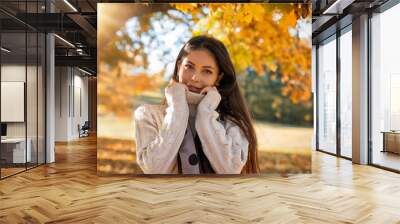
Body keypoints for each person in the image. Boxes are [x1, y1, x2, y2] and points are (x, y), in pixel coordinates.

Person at [134, 35, 259, 174]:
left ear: (218, 78)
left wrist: (206, 112)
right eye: (189, 67)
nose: (195, 78)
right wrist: (177, 109)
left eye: (207, 71)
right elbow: (154, 169)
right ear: (179, 66)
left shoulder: (233, 122)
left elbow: (230, 170)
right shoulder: (148, 115)